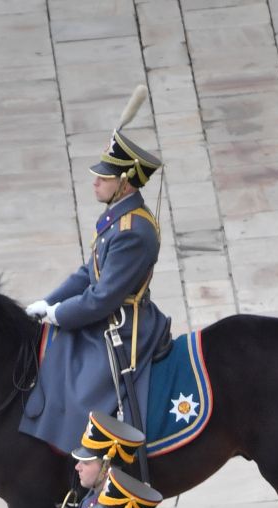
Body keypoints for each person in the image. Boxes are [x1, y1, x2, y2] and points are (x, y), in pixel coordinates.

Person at [21, 116, 170, 455]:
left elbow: (102, 299)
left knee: (85, 389)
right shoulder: (116, 217)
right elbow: (88, 273)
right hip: (105, 314)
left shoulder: (133, 230)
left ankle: (96, 462)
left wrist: (59, 314)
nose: (96, 182)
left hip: (125, 325)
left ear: (126, 183)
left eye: (104, 177)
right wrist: (47, 302)